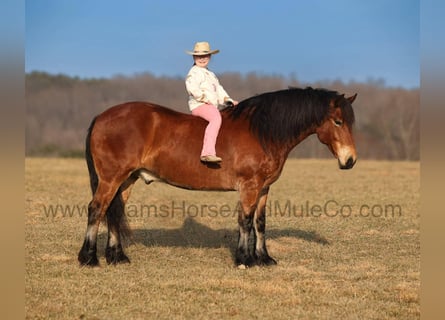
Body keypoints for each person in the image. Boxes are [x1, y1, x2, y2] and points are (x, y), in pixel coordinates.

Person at [185, 41, 238, 163]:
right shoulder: (194, 72)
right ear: (194, 57)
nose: (202, 59)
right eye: (199, 56)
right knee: (216, 118)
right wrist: (203, 97)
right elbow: (191, 87)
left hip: (210, 105)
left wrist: (227, 100)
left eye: (205, 56)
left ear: (209, 57)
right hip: (199, 105)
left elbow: (219, 90)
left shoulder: (211, 75)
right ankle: (207, 153)